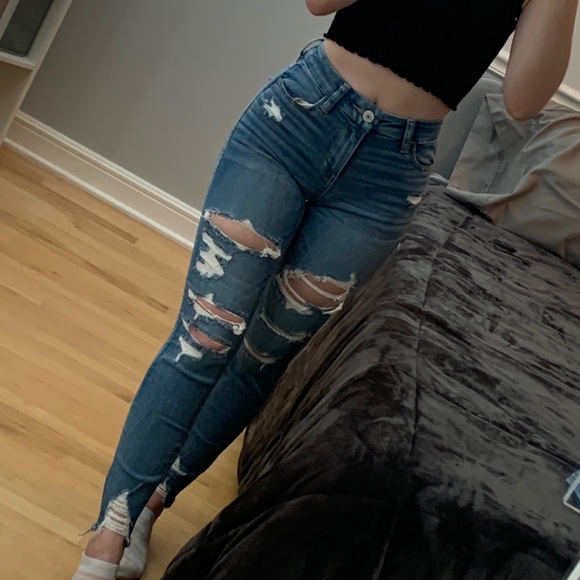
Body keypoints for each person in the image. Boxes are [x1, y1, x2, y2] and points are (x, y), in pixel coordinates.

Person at [73, 0, 578, 578]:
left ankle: (152, 503)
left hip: (389, 174)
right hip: (299, 119)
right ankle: (107, 540)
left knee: (264, 357)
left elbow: (523, 101)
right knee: (205, 336)